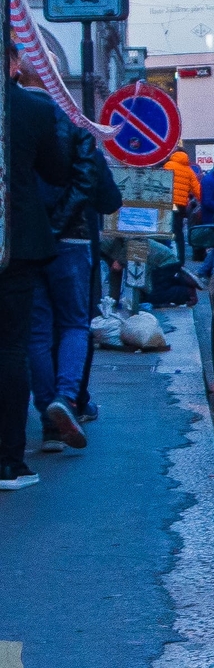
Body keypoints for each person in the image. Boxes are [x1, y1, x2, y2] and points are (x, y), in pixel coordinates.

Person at [1, 68, 75, 491]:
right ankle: (9, 461)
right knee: (11, 347)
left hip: (19, 238)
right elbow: (57, 170)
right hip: (17, 238)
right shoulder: (32, 107)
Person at [29, 117, 119, 453]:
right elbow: (109, 200)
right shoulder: (78, 138)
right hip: (74, 240)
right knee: (74, 325)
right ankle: (67, 399)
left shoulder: (19, 128)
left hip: (30, 241)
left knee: (37, 332)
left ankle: (49, 424)